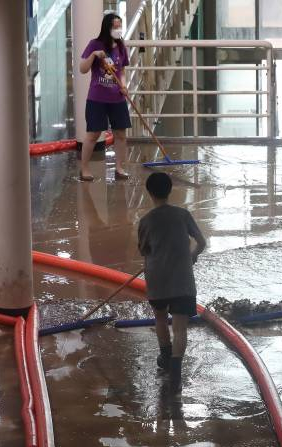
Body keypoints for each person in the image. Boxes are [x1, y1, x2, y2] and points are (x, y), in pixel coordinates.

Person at [137, 172, 206, 392]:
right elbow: (201, 242)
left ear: (150, 193)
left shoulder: (146, 221)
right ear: (170, 190)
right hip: (181, 278)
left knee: (160, 318)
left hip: (157, 278)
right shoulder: (183, 215)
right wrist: (192, 256)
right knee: (180, 328)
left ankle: (165, 357)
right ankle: (176, 371)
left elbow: (143, 250)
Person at [79, 12, 131, 181]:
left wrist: (123, 85)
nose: (118, 30)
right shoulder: (95, 44)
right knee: (93, 134)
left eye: (120, 26)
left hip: (117, 98)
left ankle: (119, 168)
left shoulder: (121, 46)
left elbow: (121, 71)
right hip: (97, 98)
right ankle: (84, 168)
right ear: (107, 27)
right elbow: (83, 69)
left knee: (120, 134)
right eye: (115, 26)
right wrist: (94, 55)